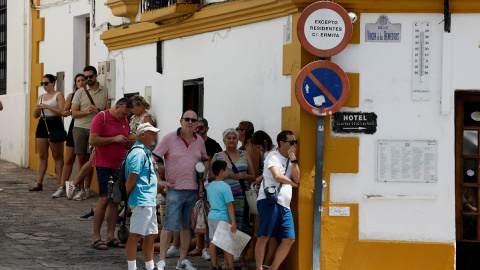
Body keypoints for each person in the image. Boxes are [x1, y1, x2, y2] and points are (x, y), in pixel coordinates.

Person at [153, 110, 209, 270]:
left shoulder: (199, 141)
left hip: (193, 190)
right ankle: (162, 260)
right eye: (187, 119)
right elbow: (153, 159)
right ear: (181, 121)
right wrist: (160, 181)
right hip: (175, 189)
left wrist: (205, 170)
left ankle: (182, 261)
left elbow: (205, 160)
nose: (190, 122)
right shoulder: (169, 138)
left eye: (193, 120)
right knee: (169, 225)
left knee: (187, 227)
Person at [89, 98, 132, 250]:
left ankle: (110, 236)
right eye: (123, 114)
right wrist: (114, 139)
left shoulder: (125, 121)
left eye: (127, 115)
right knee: (104, 199)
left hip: (120, 165)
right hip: (104, 165)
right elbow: (93, 140)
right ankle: (96, 237)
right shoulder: (102, 117)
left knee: (115, 201)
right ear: (117, 107)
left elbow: (124, 139)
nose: (125, 117)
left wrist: (128, 143)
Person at [209, 128, 255, 270]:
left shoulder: (244, 154)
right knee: (226, 230)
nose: (231, 140)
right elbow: (210, 177)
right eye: (228, 138)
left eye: (234, 138)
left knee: (240, 228)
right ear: (224, 141)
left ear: (237, 140)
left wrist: (243, 176)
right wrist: (227, 175)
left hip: (241, 198)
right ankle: (226, 262)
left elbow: (253, 175)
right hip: (224, 201)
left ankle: (241, 260)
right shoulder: (218, 156)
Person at [254, 130, 301, 270]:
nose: (294, 145)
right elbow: (277, 176)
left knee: (289, 239)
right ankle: (259, 268)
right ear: (282, 143)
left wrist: (294, 159)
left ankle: (273, 268)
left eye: (295, 142)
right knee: (264, 236)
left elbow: (298, 178)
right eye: (291, 142)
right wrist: (291, 183)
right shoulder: (272, 156)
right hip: (269, 201)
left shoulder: (291, 159)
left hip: (285, 205)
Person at [69, 66, 110, 200]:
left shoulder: (105, 91)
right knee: (81, 158)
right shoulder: (80, 92)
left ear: (96, 75)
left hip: (96, 129)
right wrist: (87, 112)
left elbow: (107, 112)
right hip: (80, 128)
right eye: (86, 77)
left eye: (90, 77)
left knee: (92, 159)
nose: (88, 80)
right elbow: (73, 113)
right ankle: (80, 188)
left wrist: (97, 110)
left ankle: (87, 188)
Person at [125, 123, 160, 270]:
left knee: (151, 235)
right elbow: (132, 177)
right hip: (141, 200)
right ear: (142, 134)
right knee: (135, 235)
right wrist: (124, 199)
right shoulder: (139, 153)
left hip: (148, 200)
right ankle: (132, 268)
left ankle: (150, 266)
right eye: (152, 133)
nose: (155, 136)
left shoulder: (144, 152)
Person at [190, 117, 222, 260]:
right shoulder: (190, 143)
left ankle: (208, 247)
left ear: (207, 129)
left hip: (209, 185)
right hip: (192, 183)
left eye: (200, 128)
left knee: (209, 215)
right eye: (196, 128)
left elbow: (219, 166)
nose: (197, 130)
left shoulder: (213, 145)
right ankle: (199, 246)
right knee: (198, 215)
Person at [29, 74, 66, 192]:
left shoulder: (58, 95)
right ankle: (39, 183)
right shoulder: (40, 96)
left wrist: (48, 107)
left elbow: (62, 111)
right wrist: (37, 110)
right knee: (42, 155)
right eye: (42, 84)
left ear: (53, 83)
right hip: (42, 124)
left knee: (57, 155)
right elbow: (35, 116)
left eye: (46, 83)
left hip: (55, 123)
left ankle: (61, 184)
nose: (44, 86)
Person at [52, 74, 86, 198]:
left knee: (83, 160)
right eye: (78, 81)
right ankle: (62, 186)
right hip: (74, 127)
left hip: (86, 127)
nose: (81, 82)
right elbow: (64, 111)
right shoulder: (71, 96)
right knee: (68, 159)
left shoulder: (90, 94)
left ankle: (81, 188)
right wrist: (68, 112)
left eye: (83, 80)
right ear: (75, 83)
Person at [251, 130, 278, 266]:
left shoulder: (271, 155)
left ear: (265, 142)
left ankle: (264, 264)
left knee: (267, 234)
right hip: (272, 197)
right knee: (271, 234)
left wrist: (259, 179)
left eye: (258, 147)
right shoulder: (271, 154)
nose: (259, 150)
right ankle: (266, 263)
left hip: (269, 197)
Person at [207, 160, 237, 270]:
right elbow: (229, 204)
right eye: (227, 169)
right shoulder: (225, 187)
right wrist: (233, 222)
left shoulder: (210, 186)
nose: (228, 171)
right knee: (227, 244)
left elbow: (209, 203)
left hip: (211, 217)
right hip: (223, 218)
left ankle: (215, 265)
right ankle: (232, 267)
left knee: (212, 242)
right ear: (222, 171)